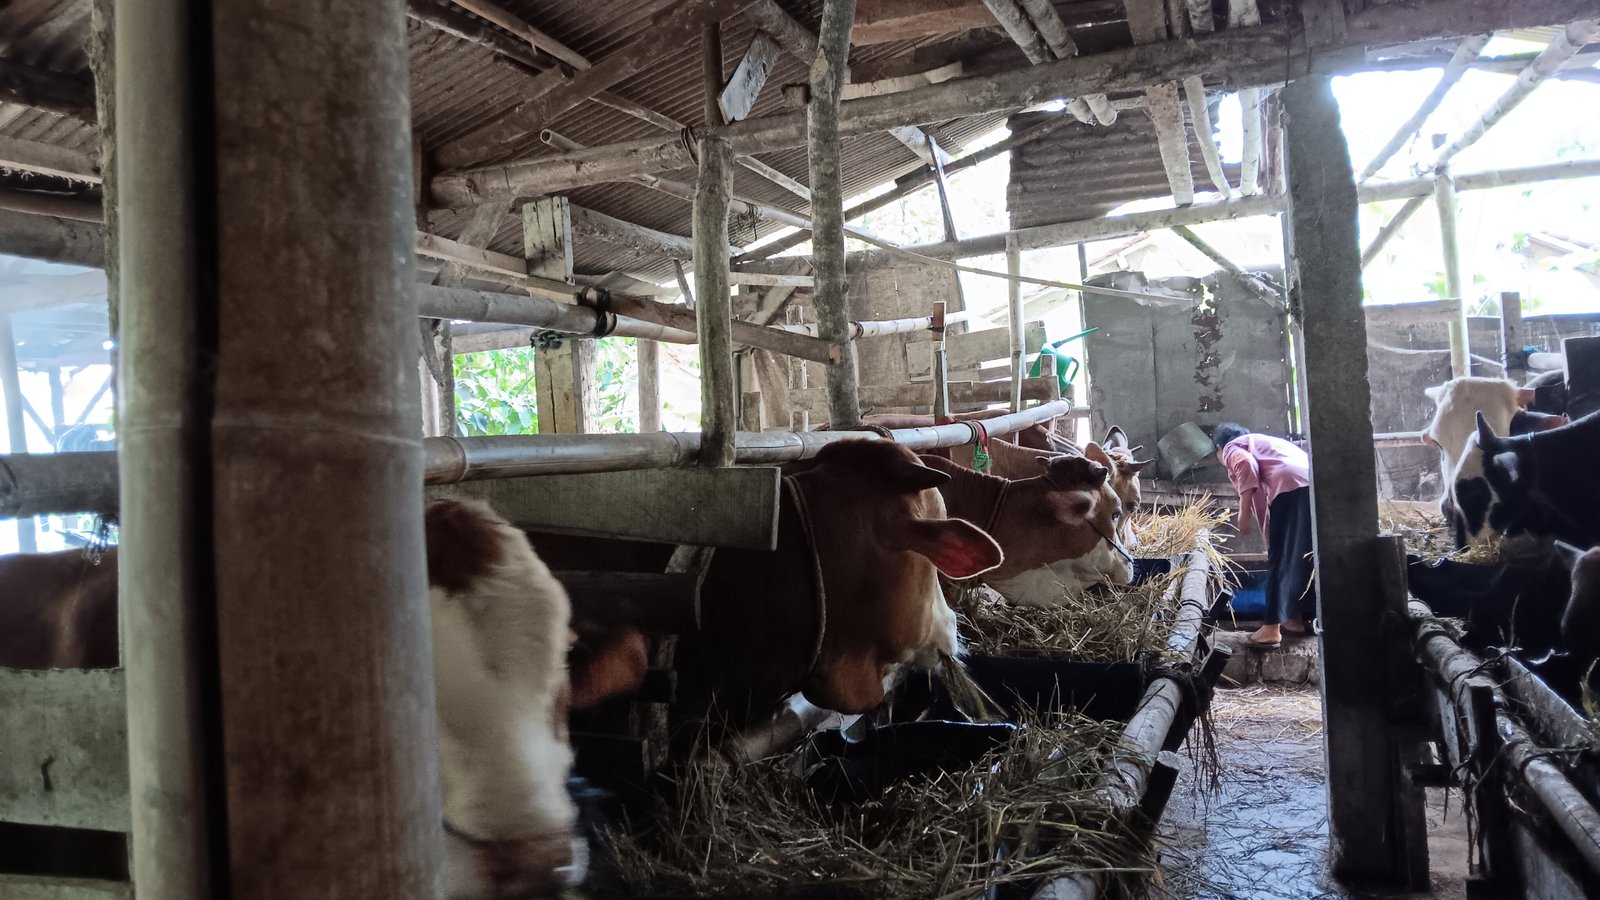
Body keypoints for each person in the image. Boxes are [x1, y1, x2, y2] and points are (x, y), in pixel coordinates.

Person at [1213, 423, 1315, 649]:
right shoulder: (1267, 446)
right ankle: (1295, 619)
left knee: (1282, 558)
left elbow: (1244, 464)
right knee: (1303, 555)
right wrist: (1270, 540)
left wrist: (1243, 513)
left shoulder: (1232, 447)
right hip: (1312, 484)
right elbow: (1264, 506)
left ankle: (1270, 629)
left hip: (1290, 485)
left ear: (1219, 448)